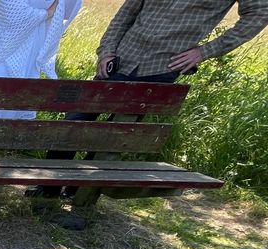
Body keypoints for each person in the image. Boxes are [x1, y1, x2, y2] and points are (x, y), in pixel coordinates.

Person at [32, 0, 268, 209]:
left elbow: (259, 13)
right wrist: (106, 52)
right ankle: (48, 189)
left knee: (114, 135)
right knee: (75, 121)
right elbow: (126, 13)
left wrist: (205, 51)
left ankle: (78, 194)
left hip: (162, 67)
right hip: (121, 59)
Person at [0, 0, 84, 118]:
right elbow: (10, 10)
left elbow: (69, 9)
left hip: (31, 57)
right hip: (1, 54)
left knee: (20, 109)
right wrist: (46, 14)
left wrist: (50, 12)